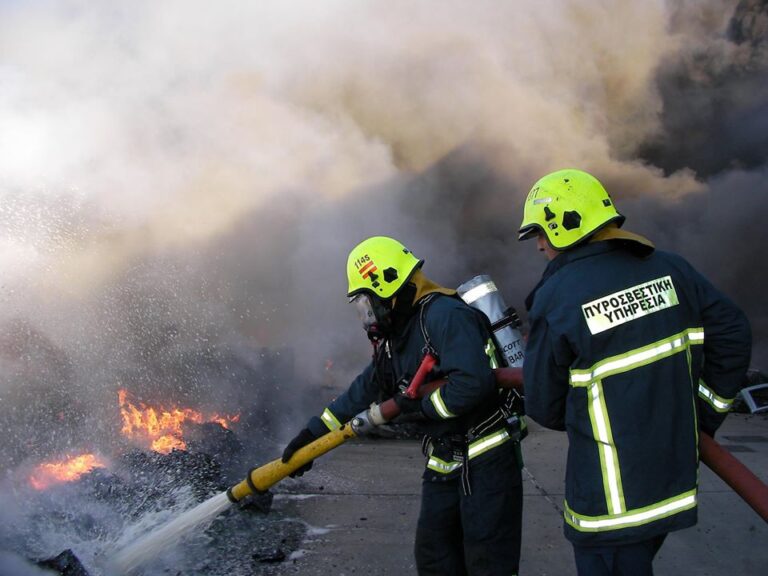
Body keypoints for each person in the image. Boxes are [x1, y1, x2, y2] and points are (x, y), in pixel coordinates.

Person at [518, 169, 752, 576]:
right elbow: (733, 334)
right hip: (672, 483)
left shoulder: (556, 298)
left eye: (540, 232)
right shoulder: (671, 268)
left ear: (564, 226)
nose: (539, 244)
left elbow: (543, 404)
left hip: (610, 506)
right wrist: (703, 415)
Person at [281, 236, 525, 576]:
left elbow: (473, 385)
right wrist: (310, 436)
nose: (366, 317)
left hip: (488, 460)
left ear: (389, 287)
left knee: (487, 565)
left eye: (366, 304)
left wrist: (416, 409)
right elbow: (360, 392)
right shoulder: (397, 337)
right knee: (435, 560)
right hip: (443, 460)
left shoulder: (446, 315)